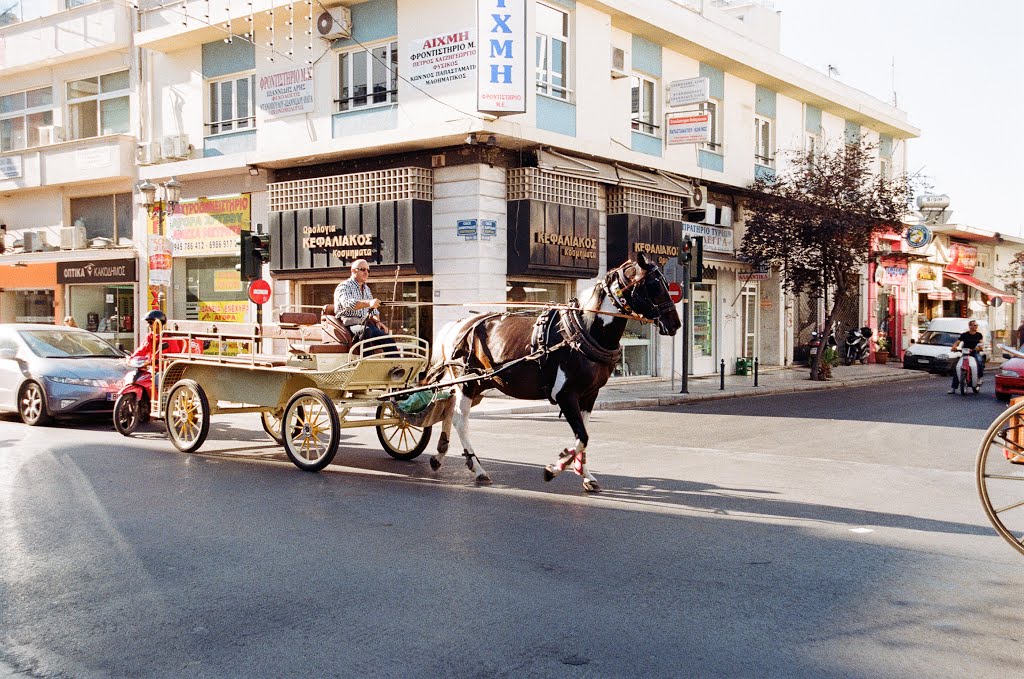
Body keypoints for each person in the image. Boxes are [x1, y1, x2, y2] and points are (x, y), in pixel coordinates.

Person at [334, 259, 393, 348]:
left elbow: (373, 310)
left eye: (368, 270)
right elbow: (348, 304)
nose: (366, 273)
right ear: (353, 271)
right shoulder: (344, 286)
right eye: (363, 269)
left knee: (388, 339)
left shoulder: (366, 288)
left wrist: (377, 321)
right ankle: (367, 361)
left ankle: (394, 361)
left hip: (364, 324)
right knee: (366, 331)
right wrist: (368, 302)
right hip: (348, 325)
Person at [948, 319, 985, 393]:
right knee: (957, 368)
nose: (976, 326)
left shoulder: (979, 335)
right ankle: (953, 388)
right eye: (974, 325)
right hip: (965, 353)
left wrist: (980, 347)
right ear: (970, 326)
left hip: (974, 353)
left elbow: (981, 343)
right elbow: (957, 342)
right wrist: (954, 347)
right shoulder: (964, 335)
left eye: (976, 325)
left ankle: (979, 378)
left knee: (980, 361)